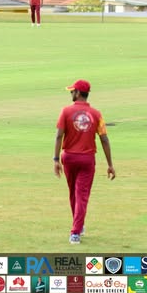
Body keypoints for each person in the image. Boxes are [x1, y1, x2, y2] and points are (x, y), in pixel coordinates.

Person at [52, 80, 115, 244]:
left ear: (78, 93)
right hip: (87, 160)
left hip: (69, 158)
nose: (71, 93)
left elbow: (59, 136)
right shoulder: (96, 114)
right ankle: (76, 230)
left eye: (72, 91)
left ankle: (77, 227)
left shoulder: (66, 112)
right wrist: (110, 164)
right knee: (82, 195)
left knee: (74, 193)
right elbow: (104, 139)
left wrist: (56, 159)